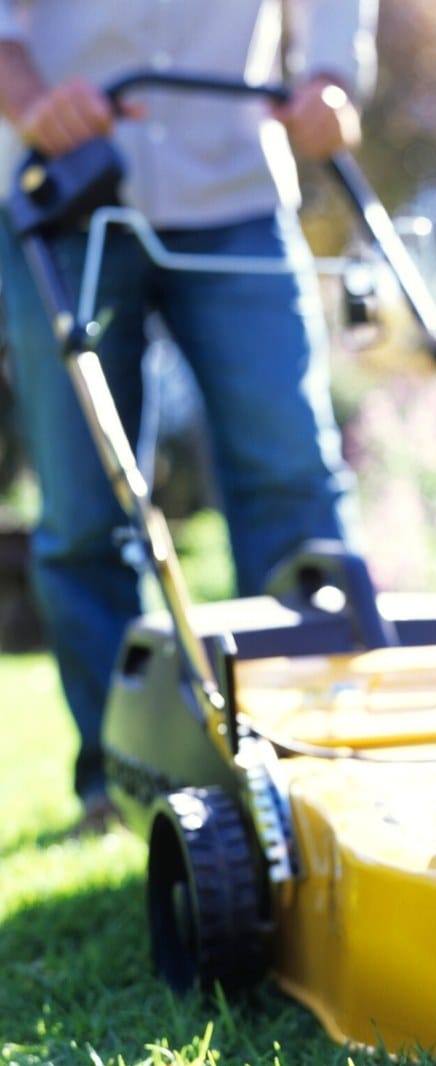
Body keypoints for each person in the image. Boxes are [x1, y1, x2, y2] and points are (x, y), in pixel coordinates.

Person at [0, 0, 378, 832]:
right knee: (86, 507)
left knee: (291, 474)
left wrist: (328, 76)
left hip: (235, 181)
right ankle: (120, 782)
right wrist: (26, 95)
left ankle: (322, 752)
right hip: (64, 180)